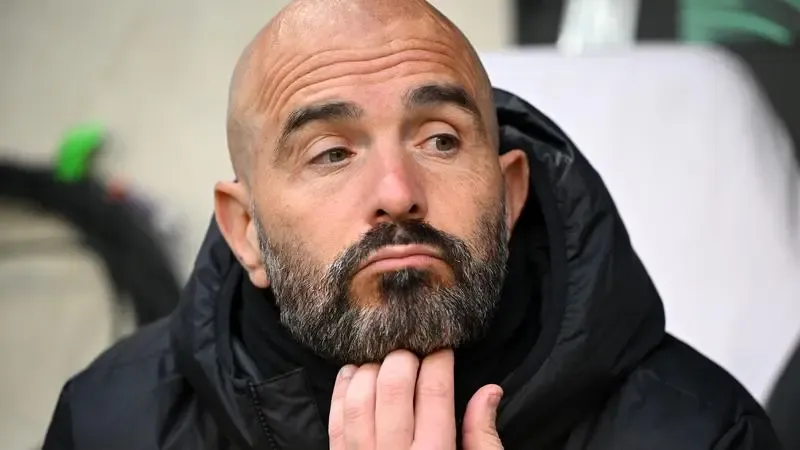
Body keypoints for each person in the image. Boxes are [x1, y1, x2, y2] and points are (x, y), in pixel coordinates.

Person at [42, 0, 781, 448]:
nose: (397, 194)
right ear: (246, 232)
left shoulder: (701, 432)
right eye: (332, 152)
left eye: (440, 140)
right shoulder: (111, 422)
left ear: (510, 194)